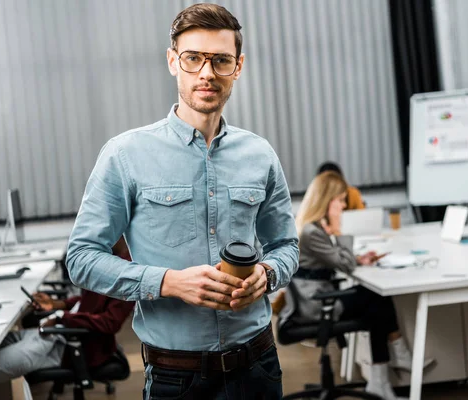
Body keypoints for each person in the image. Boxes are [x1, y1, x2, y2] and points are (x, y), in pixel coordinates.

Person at [66, 3, 299, 399]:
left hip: (259, 368)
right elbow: (81, 258)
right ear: (174, 61)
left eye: (221, 60)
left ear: (237, 67)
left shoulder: (260, 154)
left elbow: (286, 247)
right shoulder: (125, 154)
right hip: (177, 378)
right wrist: (168, 282)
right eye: (193, 58)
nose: (207, 73)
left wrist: (267, 274)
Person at [280, 171, 433, 400]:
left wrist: (358, 258)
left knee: (374, 303)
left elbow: (339, 260)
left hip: (316, 297)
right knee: (375, 299)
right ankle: (392, 365)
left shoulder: (311, 227)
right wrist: (340, 232)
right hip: (315, 305)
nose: (343, 206)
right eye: (340, 200)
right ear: (327, 199)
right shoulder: (312, 232)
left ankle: (385, 374)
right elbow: (345, 265)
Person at [0, 238, 135, 400]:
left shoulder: (126, 273)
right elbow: (86, 303)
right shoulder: (108, 260)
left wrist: (62, 318)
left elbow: (110, 322)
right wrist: (57, 304)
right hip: (54, 334)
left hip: (68, 345)